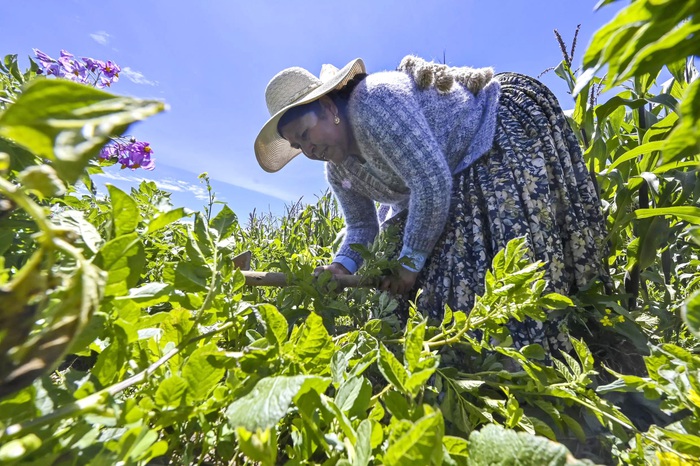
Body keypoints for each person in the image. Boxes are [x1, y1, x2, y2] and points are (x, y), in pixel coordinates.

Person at [254, 56, 608, 354]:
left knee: (493, 260)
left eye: (304, 134)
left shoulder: (374, 103)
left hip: (488, 130)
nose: (308, 150)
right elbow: (362, 228)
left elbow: (431, 182)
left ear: (329, 106)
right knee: (425, 276)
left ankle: (564, 346)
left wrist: (409, 266)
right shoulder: (339, 170)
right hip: (447, 170)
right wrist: (341, 267)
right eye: (298, 146)